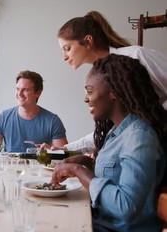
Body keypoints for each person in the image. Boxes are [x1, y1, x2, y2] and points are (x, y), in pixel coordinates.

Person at [51, 54, 167, 231]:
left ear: (114, 92)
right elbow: (117, 174)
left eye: (90, 91)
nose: (85, 98)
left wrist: (79, 171)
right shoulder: (118, 130)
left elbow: (125, 205)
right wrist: (88, 164)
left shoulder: (139, 136)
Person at [57, 10, 167, 152]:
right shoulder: (97, 79)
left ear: (88, 41)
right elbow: (109, 129)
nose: (64, 57)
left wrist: (155, 116)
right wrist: (65, 149)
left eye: (67, 49)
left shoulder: (136, 55)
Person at [0, 70, 68, 152]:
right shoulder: (2, 118)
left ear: (38, 93)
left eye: (25, 90)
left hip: (40, 164)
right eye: (17, 89)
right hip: (10, 164)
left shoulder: (53, 121)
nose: (19, 94)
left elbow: (63, 156)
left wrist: (50, 152)